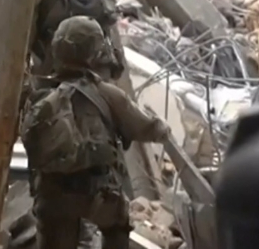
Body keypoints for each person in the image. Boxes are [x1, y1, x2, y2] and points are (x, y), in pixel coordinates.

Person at [21, 16, 170, 249]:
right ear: (94, 52)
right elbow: (146, 128)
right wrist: (162, 129)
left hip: (52, 197)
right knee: (118, 223)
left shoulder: (43, 96)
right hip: (98, 197)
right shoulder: (106, 93)